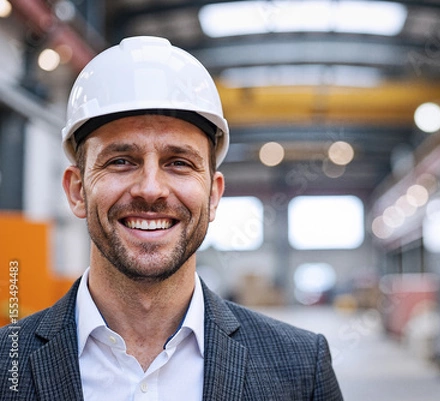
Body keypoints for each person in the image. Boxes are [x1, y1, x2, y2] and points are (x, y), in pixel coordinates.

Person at [0, 36, 343, 400]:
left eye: (179, 163)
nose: (151, 189)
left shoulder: (301, 368)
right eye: (121, 161)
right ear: (77, 191)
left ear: (213, 196)